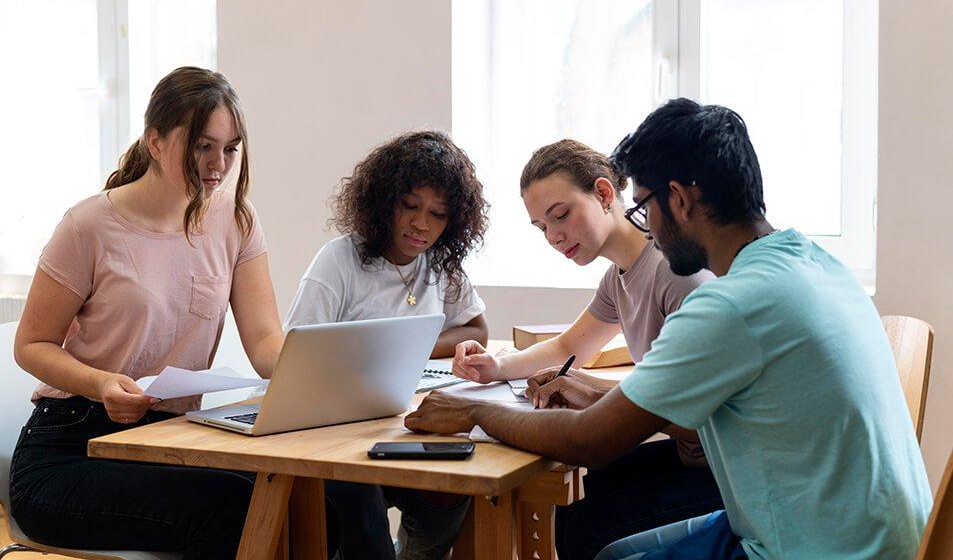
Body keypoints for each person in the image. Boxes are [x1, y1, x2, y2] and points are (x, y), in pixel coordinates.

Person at [406, 99, 932, 560]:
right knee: (594, 515)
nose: (647, 224)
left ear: (678, 200)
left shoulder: (731, 305)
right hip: (882, 533)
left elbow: (590, 442)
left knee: (596, 535)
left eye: (645, 205)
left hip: (817, 547)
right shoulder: (816, 264)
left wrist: (475, 410)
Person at [9, 66, 285, 560]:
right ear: (155, 141)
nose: (218, 165)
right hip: (70, 449)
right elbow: (31, 345)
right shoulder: (88, 225)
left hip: (171, 440)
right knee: (234, 506)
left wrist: (325, 376)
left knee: (322, 491)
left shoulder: (235, 219)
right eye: (202, 146)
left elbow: (265, 344)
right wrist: (101, 383)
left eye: (230, 148)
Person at [451, 138, 722, 559]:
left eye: (560, 215)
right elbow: (571, 346)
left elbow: (710, 416)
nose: (554, 237)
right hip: (698, 455)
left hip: (728, 468)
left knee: (590, 527)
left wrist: (597, 394)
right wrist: (495, 368)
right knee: (590, 491)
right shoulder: (620, 276)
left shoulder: (675, 272)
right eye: (542, 228)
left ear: (604, 193)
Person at [284, 130, 490, 560]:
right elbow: (296, 353)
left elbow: (477, 330)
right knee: (354, 487)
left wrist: (408, 346)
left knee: (455, 482)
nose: (421, 224)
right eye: (410, 206)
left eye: (437, 214)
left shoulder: (440, 264)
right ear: (384, 201)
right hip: (340, 433)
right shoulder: (340, 259)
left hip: (404, 423)